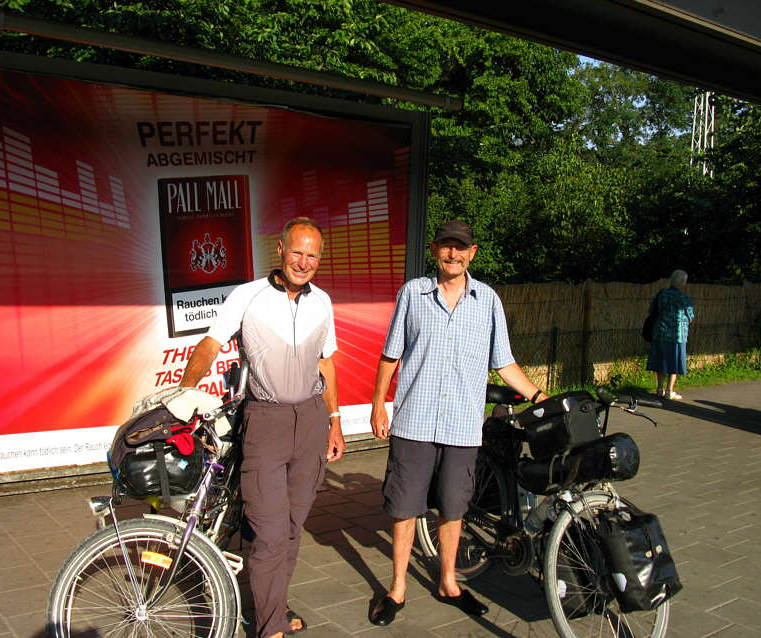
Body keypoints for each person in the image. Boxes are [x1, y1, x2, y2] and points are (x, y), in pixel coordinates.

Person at [368, 219, 549, 626]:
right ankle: (397, 588)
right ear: (434, 250)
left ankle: (448, 582)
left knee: (453, 508)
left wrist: (539, 396)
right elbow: (390, 354)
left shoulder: (488, 302)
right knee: (404, 507)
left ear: (472, 253)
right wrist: (379, 404)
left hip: (463, 427)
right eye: (446, 246)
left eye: (460, 247)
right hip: (414, 422)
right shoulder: (412, 294)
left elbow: (504, 362)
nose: (453, 254)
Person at [179, 217, 346, 638]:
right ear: (281, 250)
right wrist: (183, 393)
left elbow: (326, 363)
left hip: (310, 420)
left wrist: (335, 421)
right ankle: (270, 627)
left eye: (312, 255)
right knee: (270, 532)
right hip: (266, 421)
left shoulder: (322, 302)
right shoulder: (247, 295)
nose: (303, 262)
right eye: (297, 252)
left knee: (291, 528)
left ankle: (274, 604)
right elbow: (210, 345)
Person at [646, 269, 695, 400]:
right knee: (675, 362)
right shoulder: (684, 298)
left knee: (660, 360)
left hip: (660, 332)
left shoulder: (661, 294)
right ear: (683, 282)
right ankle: (669, 391)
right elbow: (690, 316)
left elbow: (651, 310)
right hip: (677, 335)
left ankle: (659, 388)